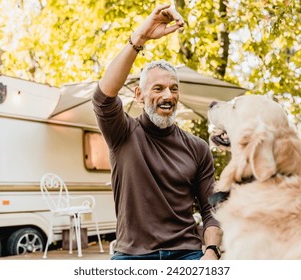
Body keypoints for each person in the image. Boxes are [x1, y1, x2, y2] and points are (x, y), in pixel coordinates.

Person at [92, 4, 222, 260]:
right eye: (158, 88)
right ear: (139, 96)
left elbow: (211, 210)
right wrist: (140, 37)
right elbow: (102, 98)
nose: (168, 96)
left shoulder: (197, 147)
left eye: (173, 89)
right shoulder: (122, 132)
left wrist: (211, 251)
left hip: (187, 254)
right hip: (131, 256)